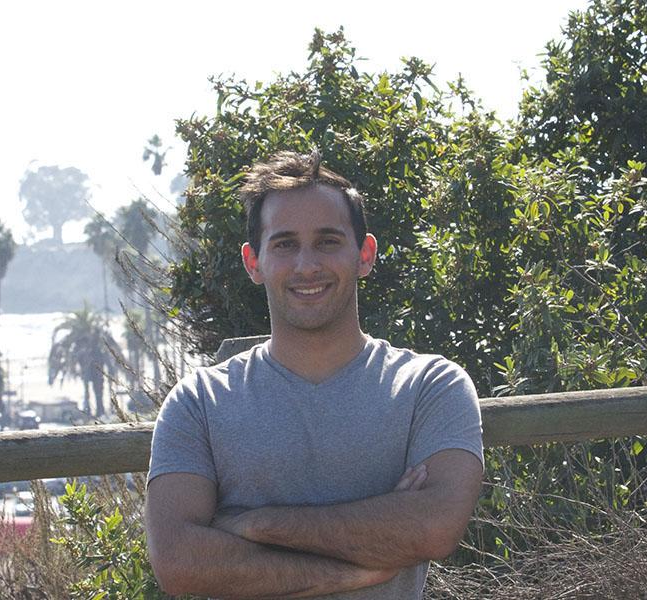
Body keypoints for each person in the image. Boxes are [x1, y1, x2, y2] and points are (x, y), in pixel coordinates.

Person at [146, 150, 483, 599]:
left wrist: (253, 523)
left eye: (327, 241)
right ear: (253, 262)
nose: (307, 265)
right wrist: (354, 559)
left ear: (364, 255)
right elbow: (178, 562)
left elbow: (435, 527)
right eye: (284, 244)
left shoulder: (430, 387)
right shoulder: (199, 402)